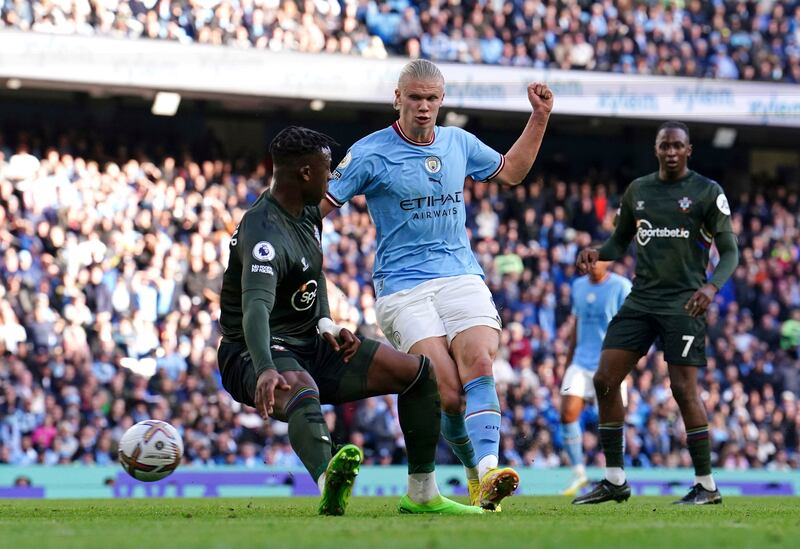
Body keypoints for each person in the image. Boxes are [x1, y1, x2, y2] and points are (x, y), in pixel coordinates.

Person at [320, 58, 554, 510]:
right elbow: (320, 207)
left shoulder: (458, 143)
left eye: (431, 99)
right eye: (415, 98)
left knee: (480, 362)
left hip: (460, 275)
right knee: (446, 394)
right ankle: (472, 473)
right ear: (398, 99)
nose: (423, 107)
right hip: (403, 287)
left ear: (441, 101)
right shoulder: (370, 152)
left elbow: (511, 172)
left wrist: (539, 117)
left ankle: (488, 471)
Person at [217, 126, 481, 516]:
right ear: (305, 173)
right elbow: (255, 308)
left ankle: (423, 494)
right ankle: (330, 485)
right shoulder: (264, 232)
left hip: (312, 344)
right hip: (253, 352)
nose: (332, 180)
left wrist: (325, 323)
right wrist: (266, 368)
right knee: (300, 388)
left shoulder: (306, 214)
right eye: (327, 170)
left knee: (419, 374)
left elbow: (314, 276)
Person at [573, 121, 739, 505]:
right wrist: (598, 252)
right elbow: (619, 241)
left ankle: (707, 486)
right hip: (641, 299)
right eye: (665, 145)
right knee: (604, 380)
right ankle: (615, 480)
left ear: (689, 150)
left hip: (685, 303)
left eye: (677, 145)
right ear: (656, 149)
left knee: (683, 389)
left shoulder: (706, 192)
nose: (671, 152)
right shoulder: (639, 191)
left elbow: (730, 251)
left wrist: (711, 287)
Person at [559, 256, 631, 497]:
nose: (589, 266)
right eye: (585, 261)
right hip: (580, 361)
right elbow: (577, 326)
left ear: (607, 262)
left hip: (609, 361)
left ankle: (616, 473)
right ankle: (579, 472)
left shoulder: (621, 286)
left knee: (612, 419)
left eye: (594, 260)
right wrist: (567, 364)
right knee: (567, 412)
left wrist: (626, 362)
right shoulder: (578, 286)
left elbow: (630, 325)